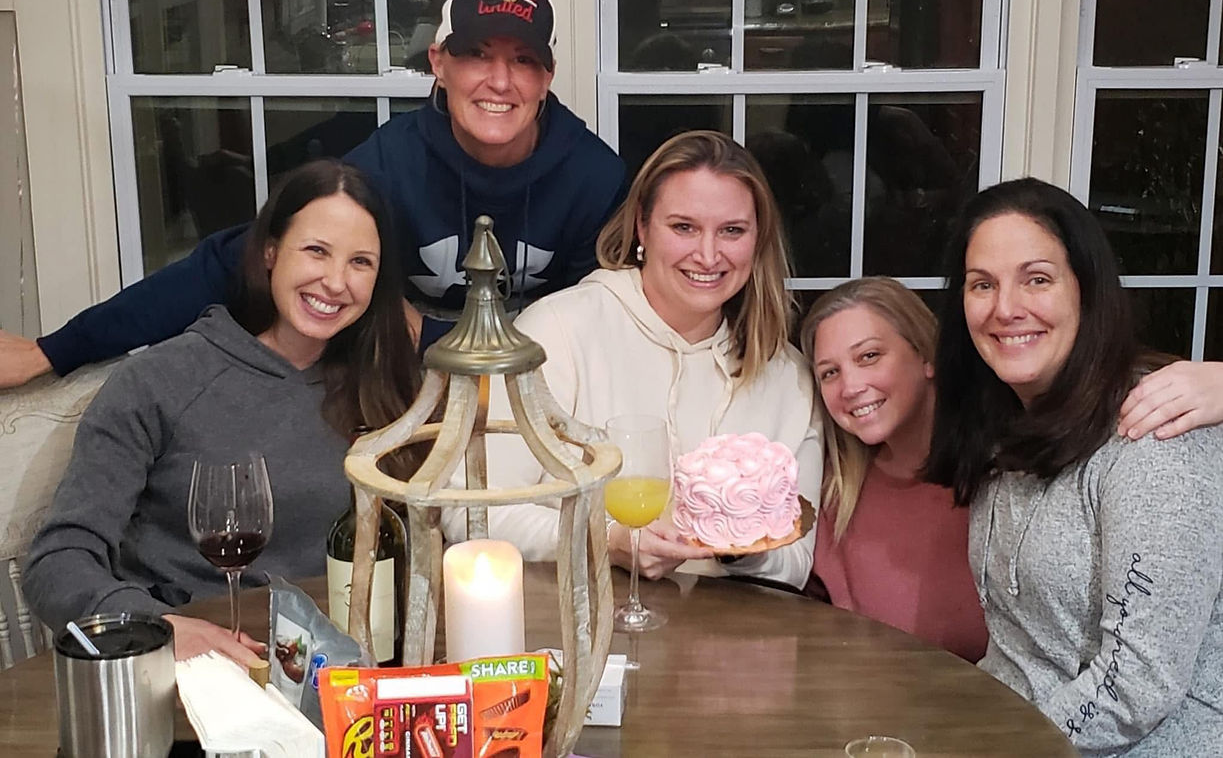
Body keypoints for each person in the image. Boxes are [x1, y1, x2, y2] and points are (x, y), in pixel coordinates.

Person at [0, 0, 626, 386]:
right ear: (439, 63)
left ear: (547, 77)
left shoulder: (594, 178)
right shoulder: (388, 165)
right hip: (397, 379)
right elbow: (236, 259)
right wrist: (55, 350)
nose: (500, 81)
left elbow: (602, 319)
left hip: (539, 383)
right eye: (477, 55)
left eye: (524, 60)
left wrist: (426, 330)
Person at [23, 160, 420, 663]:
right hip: (195, 669)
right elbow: (57, 563)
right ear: (271, 252)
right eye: (316, 251)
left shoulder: (387, 386)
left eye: (360, 262)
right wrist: (160, 630)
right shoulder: (159, 381)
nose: (336, 282)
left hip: (348, 670)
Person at [446, 131, 822, 591]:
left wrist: (736, 541)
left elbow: (796, 562)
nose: (708, 255)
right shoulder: (557, 333)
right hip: (576, 619)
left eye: (732, 231)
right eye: (683, 227)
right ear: (642, 227)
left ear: (758, 238)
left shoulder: (788, 376)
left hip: (735, 630)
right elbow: (469, 510)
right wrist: (605, 540)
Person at [926, 177, 1223, 754]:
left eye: (1037, 279)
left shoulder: (1152, 439)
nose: (1006, 308)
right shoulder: (1006, 425)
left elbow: (1136, 688)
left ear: (1086, 289)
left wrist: (994, 748)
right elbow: (1017, 653)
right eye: (982, 284)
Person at [801, 278, 986, 662]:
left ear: (926, 357)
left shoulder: (1001, 476)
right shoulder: (833, 494)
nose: (850, 387)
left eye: (869, 356)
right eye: (830, 372)